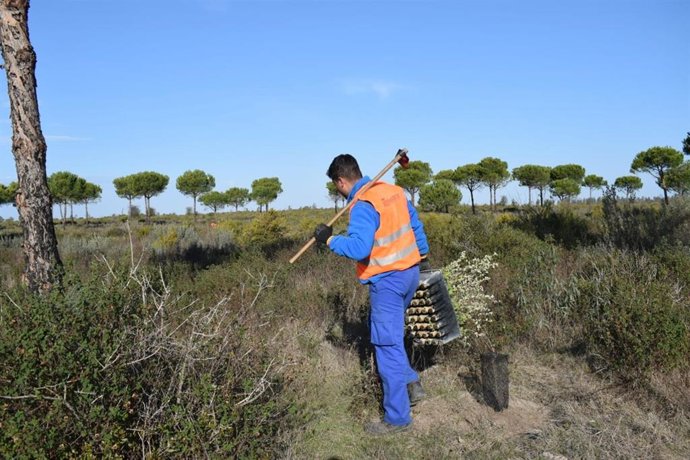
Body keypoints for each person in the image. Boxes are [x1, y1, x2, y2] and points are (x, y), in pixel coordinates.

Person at [313, 154, 431, 435]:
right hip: (410, 273)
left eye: (336, 186)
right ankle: (412, 383)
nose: (338, 191)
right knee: (390, 334)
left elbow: (358, 249)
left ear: (341, 181)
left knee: (386, 344)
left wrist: (328, 239)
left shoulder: (362, 204)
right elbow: (416, 229)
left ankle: (397, 419)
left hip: (388, 282)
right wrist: (421, 256)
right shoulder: (392, 192)